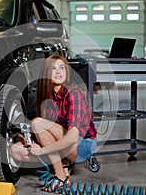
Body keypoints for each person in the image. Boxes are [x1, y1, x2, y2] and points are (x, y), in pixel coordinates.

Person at [10, 54, 97, 192]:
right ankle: (63, 164)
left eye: (62, 68)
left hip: (81, 145)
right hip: (63, 143)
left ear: (67, 72)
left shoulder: (73, 94)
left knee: (37, 123)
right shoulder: (47, 99)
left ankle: (60, 175)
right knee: (15, 150)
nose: (58, 72)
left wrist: (41, 150)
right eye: (54, 68)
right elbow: (47, 132)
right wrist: (31, 140)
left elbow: (73, 137)